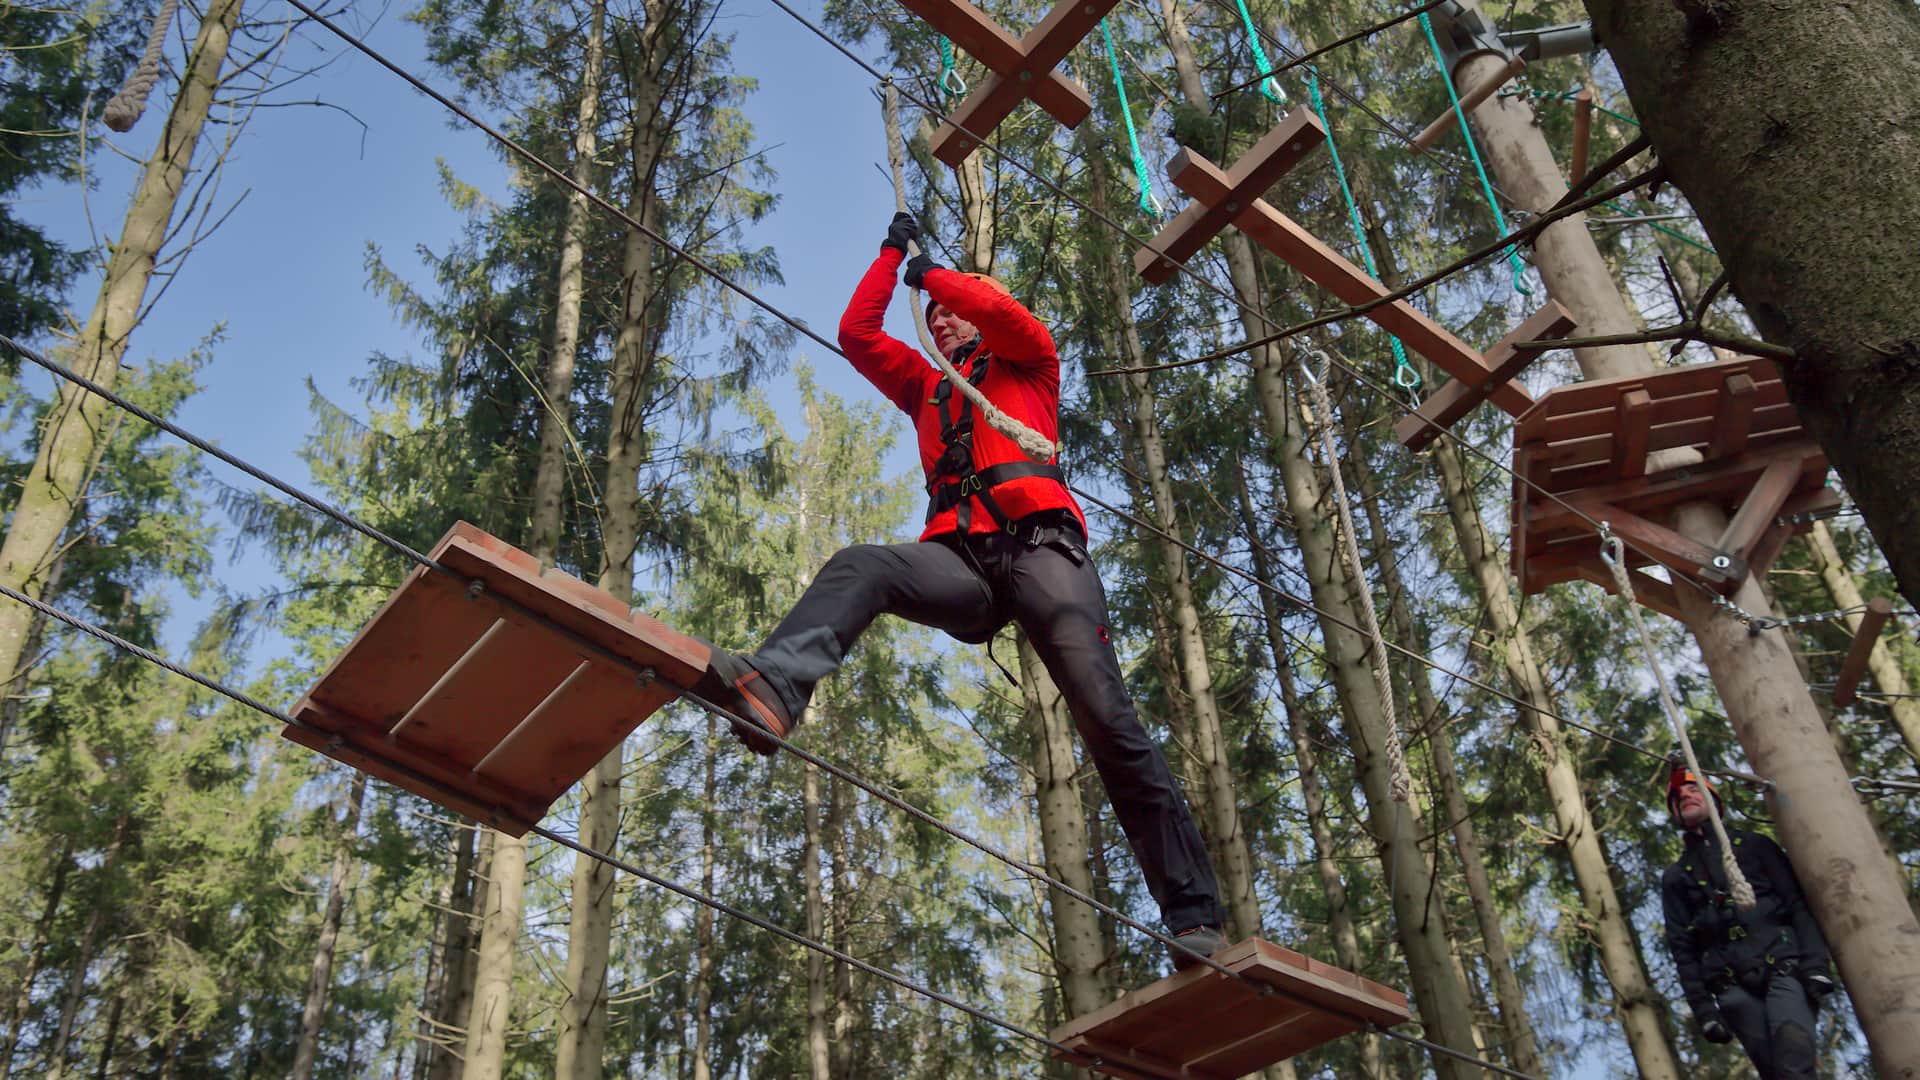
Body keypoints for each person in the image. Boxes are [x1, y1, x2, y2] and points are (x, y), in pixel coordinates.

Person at [696, 211, 1230, 970]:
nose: (942, 324)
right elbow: (858, 335)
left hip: (1045, 555)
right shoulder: (927, 389)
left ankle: (1193, 915)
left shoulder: (1029, 364)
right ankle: (779, 686)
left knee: (1108, 722)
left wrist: (937, 277)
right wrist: (890, 258)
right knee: (864, 564)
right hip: (968, 567)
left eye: (953, 313)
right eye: (935, 318)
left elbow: (1004, 315)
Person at [1661, 762, 1836, 1078]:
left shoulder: (1756, 847)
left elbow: (1797, 904)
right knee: (1775, 1072)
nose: (1685, 796)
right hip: (1732, 988)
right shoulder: (1676, 879)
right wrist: (1704, 1011)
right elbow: (1683, 951)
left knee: (1793, 1054)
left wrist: (1816, 965)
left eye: (1692, 789)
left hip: (1784, 967)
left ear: (1715, 801)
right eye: (1678, 796)